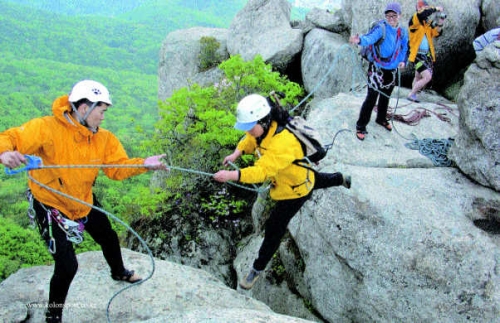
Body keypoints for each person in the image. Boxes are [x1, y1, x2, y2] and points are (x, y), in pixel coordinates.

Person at [0, 80, 167, 323]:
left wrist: (143, 164)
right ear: (85, 107)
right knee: (67, 265)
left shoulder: (103, 139)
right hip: (50, 204)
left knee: (108, 237)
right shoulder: (47, 128)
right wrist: (5, 152)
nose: (103, 117)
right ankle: (53, 316)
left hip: (83, 201)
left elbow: (116, 169)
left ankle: (119, 272)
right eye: (101, 110)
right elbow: (10, 137)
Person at [213, 94, 351, 290]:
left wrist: (231, 175)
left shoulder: (283, 142)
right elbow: (250, 139)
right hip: (296, 177)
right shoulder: (264, 129)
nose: (249, 132)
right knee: (315, 180)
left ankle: (256, 269)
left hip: (293, 191)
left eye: (250, 127)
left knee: (274, 229)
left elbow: (262, 171)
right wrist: (237, 152)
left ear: (264, 120)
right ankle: (341, 178)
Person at [349, 2, 408, 141]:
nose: (391, 18)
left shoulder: (402, 31)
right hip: (377, 69)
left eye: (394, 15)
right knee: (371, 98)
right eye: (388, 15)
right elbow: (370, 38)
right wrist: (359, 40)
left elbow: (405, 47)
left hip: (392, 69)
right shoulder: (381, 28)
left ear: (399, 16)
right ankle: (361, 125)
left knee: (386, 95)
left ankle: (381, 118)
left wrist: (402, 61)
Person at [407, 0, 446, 103]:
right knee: (427, 76)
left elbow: (436, 33)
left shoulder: (426, 25)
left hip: (425, 55)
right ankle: (412, 94)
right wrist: (436, 8)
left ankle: (413, 94)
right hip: (417, 55)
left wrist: (440, 23)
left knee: (418, 76)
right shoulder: (414, 21)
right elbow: (422, 13)